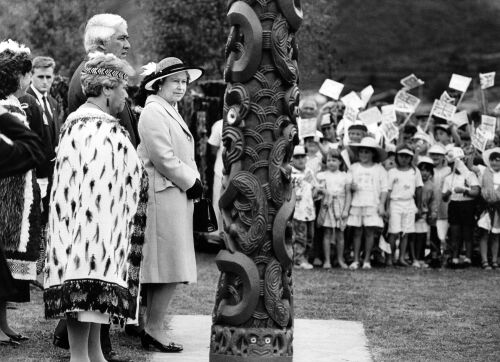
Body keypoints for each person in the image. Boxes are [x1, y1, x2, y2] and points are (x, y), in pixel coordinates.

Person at [43, 53, 148, 362]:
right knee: (84, 300)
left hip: (95, 237)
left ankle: (93, 355)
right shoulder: (92, 128)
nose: (127, 95)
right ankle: (82, 357)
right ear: (106, 90)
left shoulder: (86, 126)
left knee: (91, 305)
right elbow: (95, 192)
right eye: (123, 88)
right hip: (90, 237)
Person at [137, 57, 204, 352]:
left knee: (165, 265)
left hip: (172, 194)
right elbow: (163, 158)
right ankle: (153, 328)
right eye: (175, 81)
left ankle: (151, 325)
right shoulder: (154, 112)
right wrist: (192, 181)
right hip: (163, 194)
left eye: (184, 82)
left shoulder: (168, 110)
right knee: (167, 265)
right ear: (159, 83)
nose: (181, 86)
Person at [0, 39, 42, 344]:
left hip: (20, 192)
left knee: (6, 269)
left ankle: (3, 323)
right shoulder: (4, 109)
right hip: (6, 197)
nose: (29, 80)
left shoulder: (16, 105)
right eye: (26, 74)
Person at [68, 13, 139, 147]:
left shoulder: (101, 72)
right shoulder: (91, 74)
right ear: (101, 43)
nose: (128, 45)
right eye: (122, 38)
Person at [347, 137, 388, 270]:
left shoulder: (379, 169)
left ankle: (367, 260)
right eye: (361, 152)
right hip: (357, 203)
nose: (363, 155)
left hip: (372, 203)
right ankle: (356, 260)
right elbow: (348, 185)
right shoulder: (353, 168)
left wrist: (381, 204)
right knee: (357, 232)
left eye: (367, 152)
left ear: (373, 154)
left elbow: (384, 189)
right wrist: (351, 187)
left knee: (370, 232)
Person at [442, 147, 480, 268]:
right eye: (454, 163)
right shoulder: (448, 178)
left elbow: (476, 191)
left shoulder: (470, 175)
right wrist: (449, 192)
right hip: (454, 205)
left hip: (467, 204)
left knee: (467, 232)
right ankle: (455, 257)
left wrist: (464, 190)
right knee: (455, 232)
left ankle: (468, 258)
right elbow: (444, 197)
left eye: (460, 162)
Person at [386, 145, 423, 267]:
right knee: (393, 232)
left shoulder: (415, 171)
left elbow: (419, 189)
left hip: (409, 203)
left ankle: (401, 257)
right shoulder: (392, 172)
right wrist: (386, 208)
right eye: (401, 155)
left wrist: (418, 207)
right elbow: (388, 191)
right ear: (397, 156)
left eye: (407, 156)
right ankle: (390, 257)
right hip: (395, 203)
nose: (404, 159)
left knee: (405, 232)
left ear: (411, 157)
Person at [316, 149, 352, 269]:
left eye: (334, 160)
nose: (331, 163)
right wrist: (323, 191)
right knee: (326, 233)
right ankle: (327, 260)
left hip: (340, 206)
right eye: (329, 160)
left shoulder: (345, 176)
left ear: (340, 162)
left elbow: (348, 194)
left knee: (340, 234)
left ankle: (340, 259)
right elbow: (318, 191)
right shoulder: (322, 175)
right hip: (327, 206)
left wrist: (346, 209)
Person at [291, 145, 318, 269]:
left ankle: (305, 258)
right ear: (292, 159)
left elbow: (314, 188)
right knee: (299, 236)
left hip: (309, 210)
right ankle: (298, 259)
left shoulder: (309, 172)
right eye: (297, 157)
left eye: (302, 157)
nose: (300, 160)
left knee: (310, 237)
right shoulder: (290, 173)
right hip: (297, 211)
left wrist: (318, 191)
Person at [478, 147, 500, 270]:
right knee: (484, 234)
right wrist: (471, 154)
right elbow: (470, 167)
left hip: (498, 208)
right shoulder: (484, 171)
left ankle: (495, 260)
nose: (494, 163)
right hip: (486, 207)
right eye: (492, 160)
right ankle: (484, 260)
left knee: (496, 235)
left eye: (497, 160)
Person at [415, 156, 436, 268]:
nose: (424, 173)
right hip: (412, 212)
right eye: (422, 170)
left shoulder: (431, 186)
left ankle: (420, 257)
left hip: (423, 214)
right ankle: (412, 256)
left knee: (422, 236)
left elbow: (433, 201)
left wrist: (433, 212)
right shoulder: (414, 182)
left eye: (427, 170)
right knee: (411, 236)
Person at [207, 119, 224, 240]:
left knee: (218, 201)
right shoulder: (219, 125)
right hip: (221, 169)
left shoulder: (219, 124)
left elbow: (213, 149)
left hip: (221, 168)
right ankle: (218, 233)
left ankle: (216, 233)